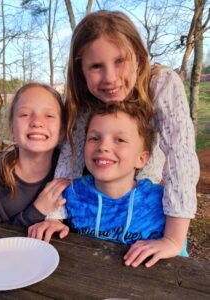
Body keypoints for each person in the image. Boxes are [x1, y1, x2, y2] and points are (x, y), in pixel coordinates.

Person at [30, 10, 199, 267]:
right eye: (96, 66)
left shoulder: (161, 83)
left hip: (146, 204)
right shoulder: (84, 99)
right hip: (98, 201)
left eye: (120, 61)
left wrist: (173, 239)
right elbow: (71, 155)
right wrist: (55, 215)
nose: (110, 77)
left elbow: (181, 156)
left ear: (139, 58)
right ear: (81, 70)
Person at [0, 82, 70, 227]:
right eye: (25, 114)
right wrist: (37, 212)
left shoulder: (75, 174)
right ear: (12, 127)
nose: (37, 122)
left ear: (62, 129)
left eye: (49, 115)